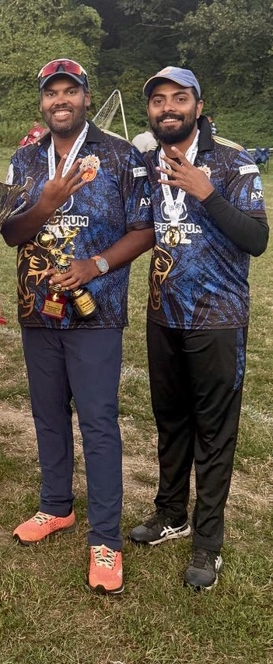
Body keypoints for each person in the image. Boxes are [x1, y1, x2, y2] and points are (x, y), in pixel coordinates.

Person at [1, 58, 154, 594]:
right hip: (37, 307)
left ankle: (105, 538)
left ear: (87, 97)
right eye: (52, 93)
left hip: (97, 311)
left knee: (98, 422)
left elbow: (144, 229)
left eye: (70, 91)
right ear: (42, 102)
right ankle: (56, 505)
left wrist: (96, 265)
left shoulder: (121, 155)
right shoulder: (25, 158)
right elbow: (11, 234)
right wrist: (44, 205)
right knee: (47, 414)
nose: (60, 100)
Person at [128, 67, 268, 590]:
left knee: (214, 432)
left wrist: (207, 193)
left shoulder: (234, 161)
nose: (168, 107)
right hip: (162, 314)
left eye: (179, 98)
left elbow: (257, 239)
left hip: (218, 319)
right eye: (158, 100)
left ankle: (208, 541)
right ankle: (171, 514)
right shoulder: (147, 162)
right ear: (150, 111)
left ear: (198, 107)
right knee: (170, 422)